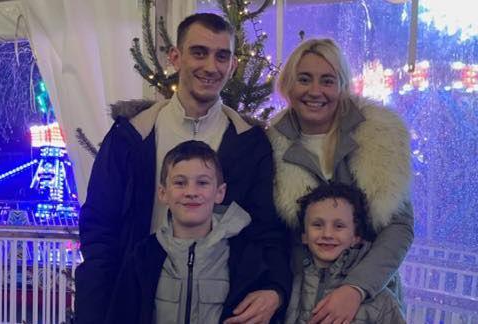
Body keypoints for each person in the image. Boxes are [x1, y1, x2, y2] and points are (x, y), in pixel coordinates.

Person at [76, 13, 291, 324]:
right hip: (137, 303)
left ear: (232, 66)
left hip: (219, 307)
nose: (210, 66)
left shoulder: (250, 143)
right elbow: (100, 227)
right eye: (199, 52)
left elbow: (266, 229)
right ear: (175, 57)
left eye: (222, 56)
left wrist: (276, 289)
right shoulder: (131, 136)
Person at [267, 38, 413, 323]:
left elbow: (399, 227)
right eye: (304, 79)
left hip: (369, 300)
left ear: (342, 86)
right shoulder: (271, 145)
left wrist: (355, 288)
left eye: (327, 81)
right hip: (302, 298)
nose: (315, 91)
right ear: (288, 85)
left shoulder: (380, 135)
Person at [105, 140, 252, 324]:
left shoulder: (241, 256)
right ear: (163, 193)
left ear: (220, 193)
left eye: (202, 183)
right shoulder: (143, 256)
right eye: (180, 183)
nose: (191, 192)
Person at [285, 182, 406, 324]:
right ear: (304, 236)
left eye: (339, 226)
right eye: (317, 225)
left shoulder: (382, 301)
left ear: (356, 237)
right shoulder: (290, 286)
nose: (327, 234)